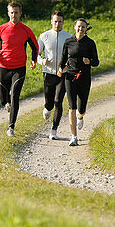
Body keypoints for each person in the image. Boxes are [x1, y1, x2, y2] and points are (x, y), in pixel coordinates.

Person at [0, 1, 39, 137]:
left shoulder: (26, 30)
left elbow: (35, 46)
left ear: (20, 13)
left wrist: (34, 60)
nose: (14, 15)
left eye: (16, 12)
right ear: (8, 13)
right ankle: (7, 103)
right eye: (11, 12)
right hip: (4, 68)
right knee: (3, 99)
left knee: (15, 96)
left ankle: (11, 127)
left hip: (19, 68)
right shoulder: (1, 29)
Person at [59, 17, 99, 146]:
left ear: (86, 28)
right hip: (70, 77)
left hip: (84, 78)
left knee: (81, 109)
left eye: (83, 27)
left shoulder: (90, 43)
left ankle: (80, 117)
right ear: (74, 27)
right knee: (72, 107)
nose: (80, 29)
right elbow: (63, 57)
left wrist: (89, 62)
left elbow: (96, 62)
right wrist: (60, 68)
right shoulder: (68, 42)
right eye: (78, 26)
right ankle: (73, 137)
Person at [37, 9, 74, 140]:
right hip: (49, 73)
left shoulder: (69, 37)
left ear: (63, 22)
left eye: (60, 22)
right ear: (51, 22)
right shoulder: (44, 36)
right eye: (55, 22)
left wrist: (68, 66)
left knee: (58, 101)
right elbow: (37, 55)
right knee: (49, 102)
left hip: (62, 74)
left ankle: (54, 130)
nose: (57, 24)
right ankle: (47, 108)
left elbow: (72, 56)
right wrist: (42, 61)